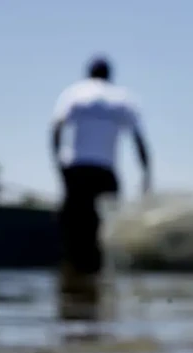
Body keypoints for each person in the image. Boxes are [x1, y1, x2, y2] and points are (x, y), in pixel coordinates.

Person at [50, 55, 152, 275]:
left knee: (73, 229)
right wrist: (146, 173)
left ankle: (73, 276)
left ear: (89, 73)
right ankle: (99, 280)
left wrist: (58, 164)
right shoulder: (122, 99)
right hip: (105, 172)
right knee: (105, 228)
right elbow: (139, 139)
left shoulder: (75, 93)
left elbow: (56, 129)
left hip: (76, 169)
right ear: (109, 75)